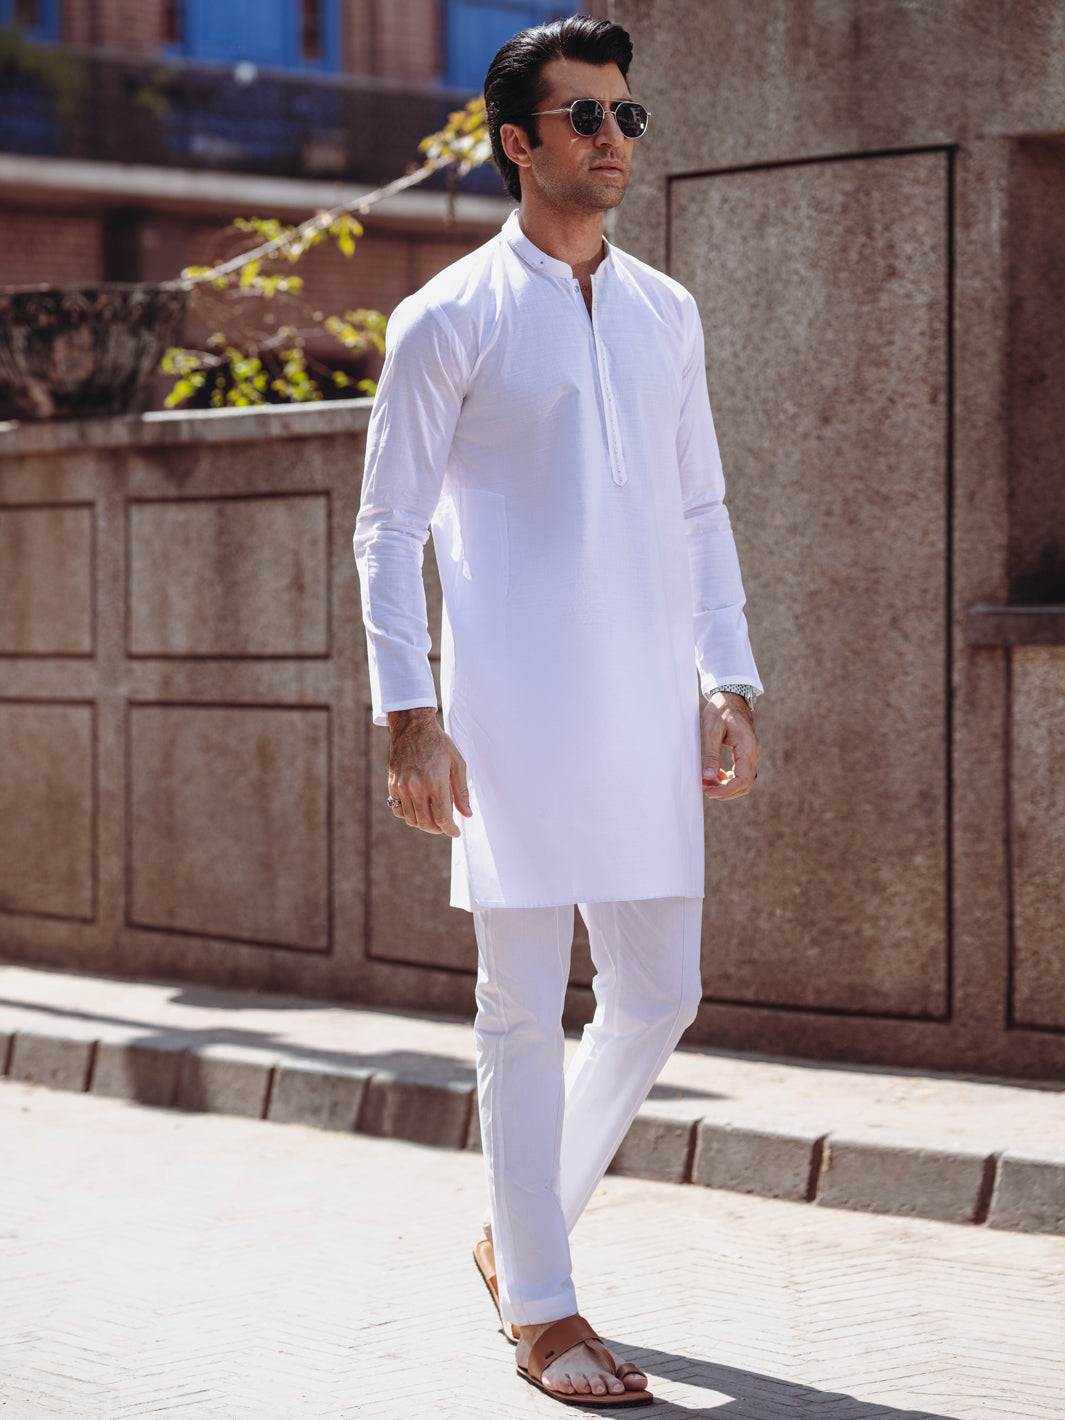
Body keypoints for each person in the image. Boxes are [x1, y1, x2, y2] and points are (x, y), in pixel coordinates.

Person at [354, 14, 761, 1407]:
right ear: (518, 143)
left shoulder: (666, 312)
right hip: (509, 716)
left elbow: (702, 509)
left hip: (647, 709)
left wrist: (726, 679)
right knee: (521, 1009)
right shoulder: (446, 316)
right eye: (584, 115)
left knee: (659, 992)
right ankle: (543, 1307)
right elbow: (386, 528)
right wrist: (411, 716)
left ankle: (513, 1235)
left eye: (624, 114)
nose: (612, 136)